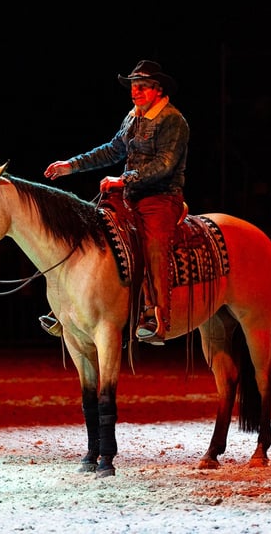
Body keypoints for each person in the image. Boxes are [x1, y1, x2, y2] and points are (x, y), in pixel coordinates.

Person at [39, 60, 190, 344]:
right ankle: (66, 309)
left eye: (142, 86)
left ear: (158, 90)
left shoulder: (173, 120)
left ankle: (157, 316)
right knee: (89, 231)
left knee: (154, 243)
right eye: (133, 86)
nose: (135, 91)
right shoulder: (132, 117)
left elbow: (165, 165)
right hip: (129, 195)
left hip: (161, 197)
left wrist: (124, 180)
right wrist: (71, 165)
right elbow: (111, 150)